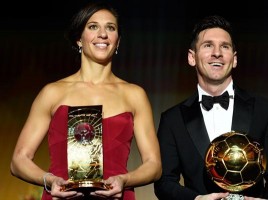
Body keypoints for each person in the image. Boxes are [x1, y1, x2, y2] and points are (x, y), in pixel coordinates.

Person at [10, 1, 161, 200]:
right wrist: (49, 180)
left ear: (118, 41)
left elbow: (154, 165)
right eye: (93, 27)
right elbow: (18, 160)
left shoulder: (134, 95)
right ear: (78, 39)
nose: (103, 34)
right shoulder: (53, 92)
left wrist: (125, 180)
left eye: (110, 27)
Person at [154, 15, 268, 200]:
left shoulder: (265, 110)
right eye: (208, 45)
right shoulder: (172, 119)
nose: (217, 53)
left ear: (234, 59)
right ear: (191, 57)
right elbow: (164, 183)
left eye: (224, 46)